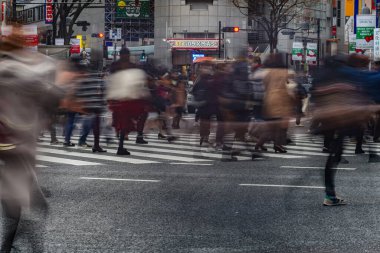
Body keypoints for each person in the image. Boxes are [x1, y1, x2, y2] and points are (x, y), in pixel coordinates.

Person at [0, 26, 61, 252]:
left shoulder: (7, 68)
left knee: (16, 200)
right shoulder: (17, 70)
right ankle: (19, 244)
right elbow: (51, 93)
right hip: (17, 143)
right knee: (37, 205)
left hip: (10, 144)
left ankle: (10, 243)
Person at [107, 47, 151, 155]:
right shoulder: (130, 66)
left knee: (122, 122)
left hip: (118, 98)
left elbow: (111, 80)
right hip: (128, 98)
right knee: (125, 122)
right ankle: (121, 143)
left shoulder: (115, 66)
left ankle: (120, 142)